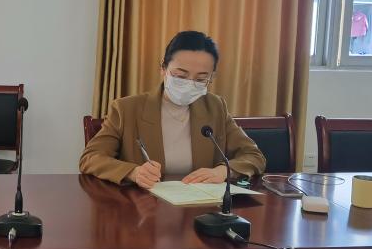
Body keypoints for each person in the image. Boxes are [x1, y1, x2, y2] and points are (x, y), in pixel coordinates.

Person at [79, 31, 265, 188]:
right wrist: (133, 172)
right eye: (180, 76)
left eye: (201, 79)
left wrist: (223, 171)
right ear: (163, 68)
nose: (189, 84)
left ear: (211, 78)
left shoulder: (216, 107)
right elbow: (91, 158)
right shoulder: (126, 109)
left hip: (200, 205)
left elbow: (254, 156)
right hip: (143, 207)